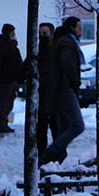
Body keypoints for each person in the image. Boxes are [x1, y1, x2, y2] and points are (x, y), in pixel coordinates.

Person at [42, 17, 86, 164]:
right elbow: (67, 63)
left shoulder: (59, 41)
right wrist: (75, 82)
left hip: (56, 90)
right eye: (79, 28)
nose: (81, 32)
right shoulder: (67, 42)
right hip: (64, 89)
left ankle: (55, 161)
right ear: (73, 28)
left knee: (63, 127)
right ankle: (51, 154)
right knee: (77, 125)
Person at [0, 23, 22, 134]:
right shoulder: (3, 45)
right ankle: (2, 124)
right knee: (5, 103)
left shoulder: (2, 44)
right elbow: (8, 56)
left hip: (9, 78)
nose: (14, 35)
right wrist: (13, 43)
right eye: (12, 33)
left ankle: (3, 123)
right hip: (6, 79)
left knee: (8, 102)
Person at [36, 22, 58, 158]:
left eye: (44, 33)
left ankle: (56, 152)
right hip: (42, 93)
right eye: (40, 33)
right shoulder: (39, 48)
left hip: (53, 93)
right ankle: (43, 153)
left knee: (55, 126)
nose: (41, 36)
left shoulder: (55, 48)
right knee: (41, 127)